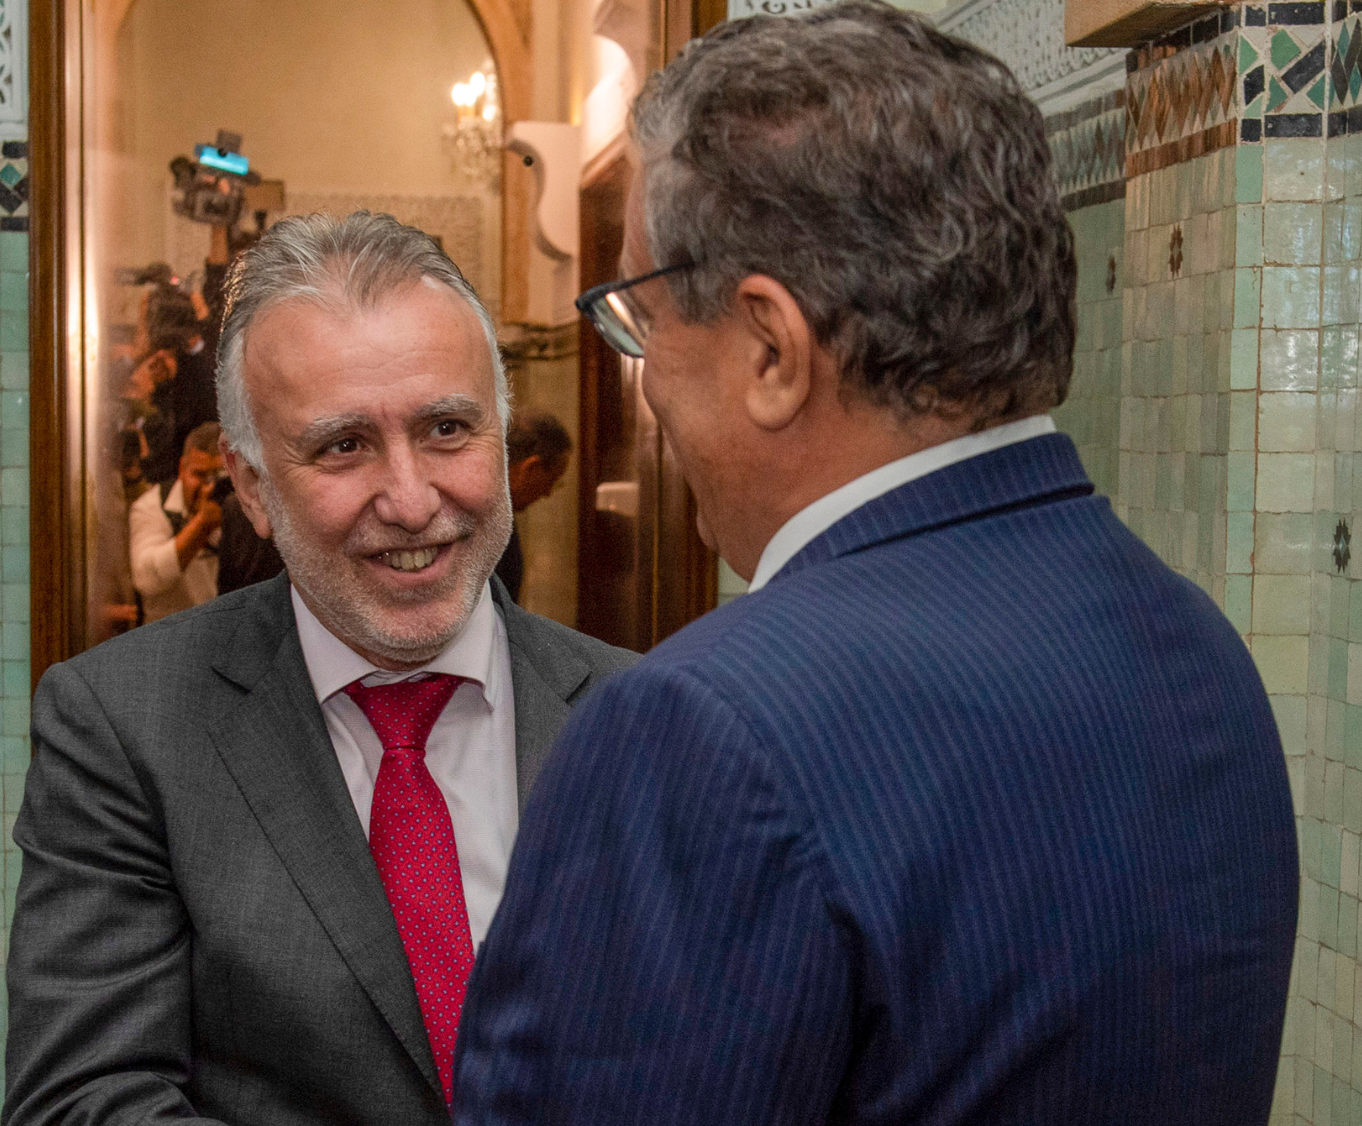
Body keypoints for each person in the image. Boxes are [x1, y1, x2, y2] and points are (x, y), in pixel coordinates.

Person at [452, 7, 1299, 1126]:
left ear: (768, 348)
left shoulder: (700, 733)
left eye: (639, 319)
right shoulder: (1192, 643)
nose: (644, 384)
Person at [5, 210, 636, 1126]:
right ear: (254, 486)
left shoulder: (641, 712)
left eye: (450, 428)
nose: (413, 500)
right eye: (344, 446)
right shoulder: (124, 727)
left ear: (501, 437)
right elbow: (85, 1100)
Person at [128, 420, 225, 623]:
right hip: (167, 639)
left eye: (217, 477)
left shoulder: (241, 508)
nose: (208, 487)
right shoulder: (151, 507)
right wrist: (202, 524)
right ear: (182, 468)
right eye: (199, 475)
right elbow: (146, 579)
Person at [492, 410, 571, 601]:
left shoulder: (500, 516)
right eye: (551, 480)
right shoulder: (490, 524)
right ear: (531, 468)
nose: (548, 493)